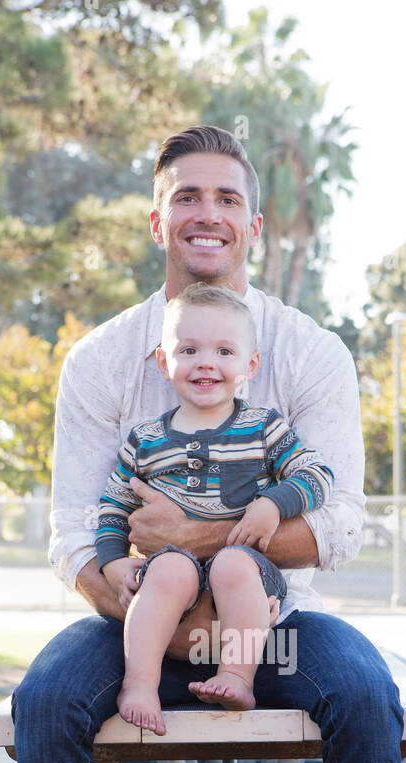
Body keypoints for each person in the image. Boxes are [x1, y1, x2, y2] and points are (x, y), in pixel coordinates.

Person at [13, 124, 404, 763]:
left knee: (363, 694)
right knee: (44, 701)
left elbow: (341, 523)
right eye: (187, 196)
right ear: (157, 218)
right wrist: (146, 589)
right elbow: (74, 537)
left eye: (226, 199)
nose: (206, 214)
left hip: (265, 622)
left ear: (254, 225)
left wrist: (204, 536)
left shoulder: (305, 355)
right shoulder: (105, 362)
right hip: (137, 620)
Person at [95, 281, 334, 734]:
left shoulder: (263, 428)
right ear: (165, 363)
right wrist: (110, 565)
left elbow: (317, 475)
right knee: (168, 572)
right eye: (189, 350)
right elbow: (113, 506)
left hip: (246, 575)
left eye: (225, 351)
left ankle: (236, 676)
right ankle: (140, 683)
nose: (206, 361)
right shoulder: (145, 441)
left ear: (250, 364)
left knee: (232, 565)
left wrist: (272, 503)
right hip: (174, 578)